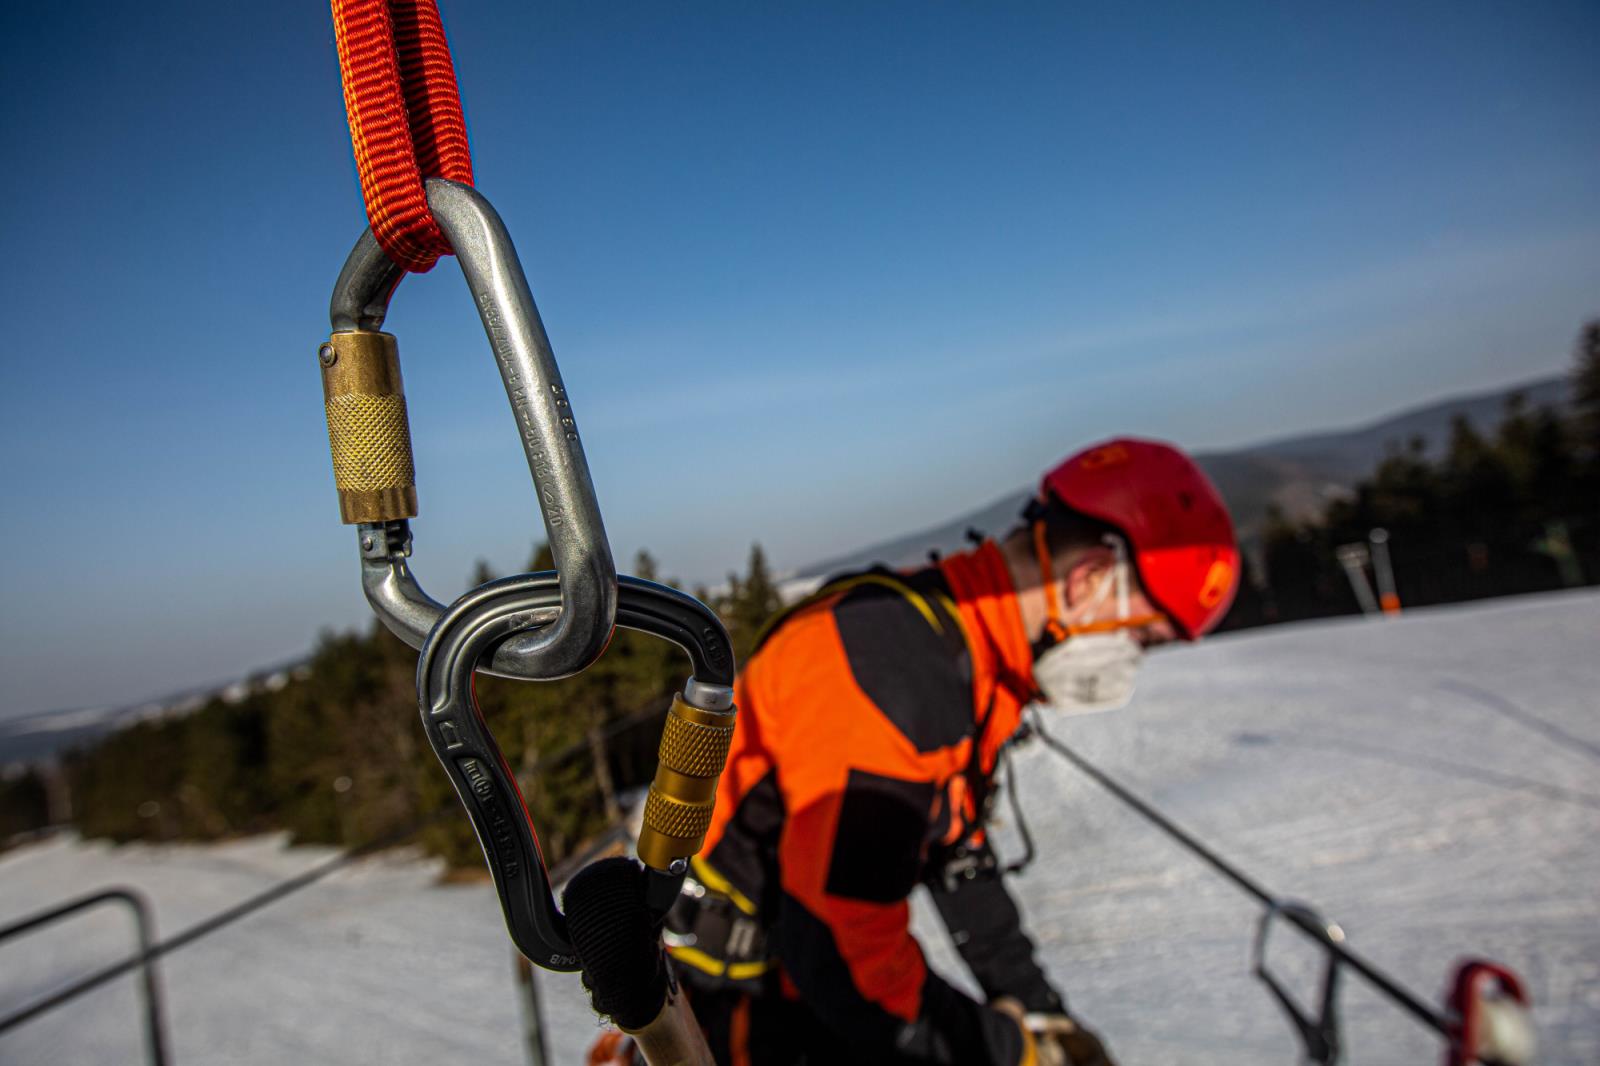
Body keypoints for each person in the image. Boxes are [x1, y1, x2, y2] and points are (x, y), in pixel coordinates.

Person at [666, 437, 1238, 1066]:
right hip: (731, 1011)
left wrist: (1037, 1006)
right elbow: (843, 961)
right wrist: (1010, 1053)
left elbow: (960, 858)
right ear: (1090, 581)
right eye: (1144, 640)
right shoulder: (895, 680)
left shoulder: (971, 655)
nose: (1131, 664)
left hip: (787, 985)